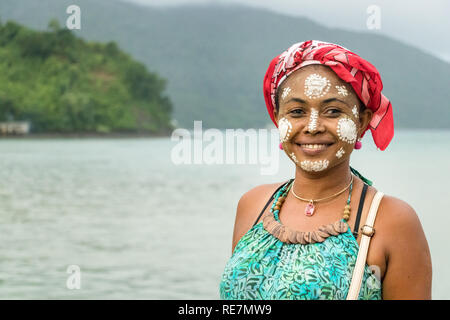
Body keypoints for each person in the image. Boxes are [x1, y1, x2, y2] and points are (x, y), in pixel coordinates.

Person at [219, 40, 432, 300]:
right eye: (297, 111)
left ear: (362, 121)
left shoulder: (392, 221)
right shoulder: (254, 205)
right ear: (277, 118)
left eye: (333, 111)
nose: (312, 126)